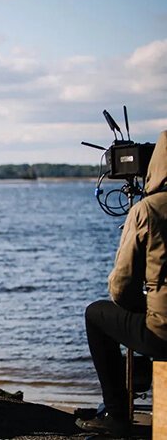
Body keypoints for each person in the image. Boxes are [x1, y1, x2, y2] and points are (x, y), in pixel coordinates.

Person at [76, 130, 167, 437]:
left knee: (96, 314)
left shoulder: (148, 210)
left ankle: (117, 414)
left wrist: (143, 304)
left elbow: (121, 287)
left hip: (163, 332)